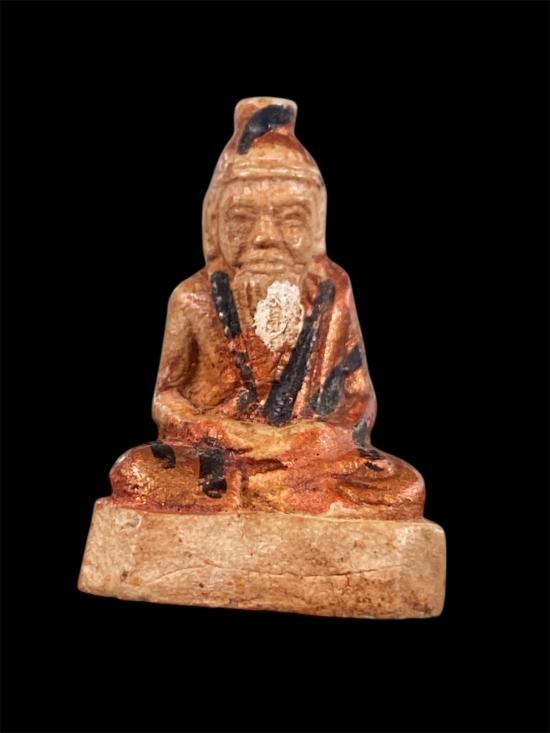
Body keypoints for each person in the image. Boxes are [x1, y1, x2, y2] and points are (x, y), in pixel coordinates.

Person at [110, 97, 424, 519]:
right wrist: (214, 429)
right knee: (137, 472)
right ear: (214, 225)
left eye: (290, 220)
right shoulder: (193, 298)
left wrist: (312, 438)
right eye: (242, 219)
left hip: (303, 454)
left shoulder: (332, 291)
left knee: (401, 487)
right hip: (219, 453)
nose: (264, 237)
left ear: (315, 227)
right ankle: (277, 494)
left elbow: (357, 401)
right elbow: (166, 397)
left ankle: (261, 492)